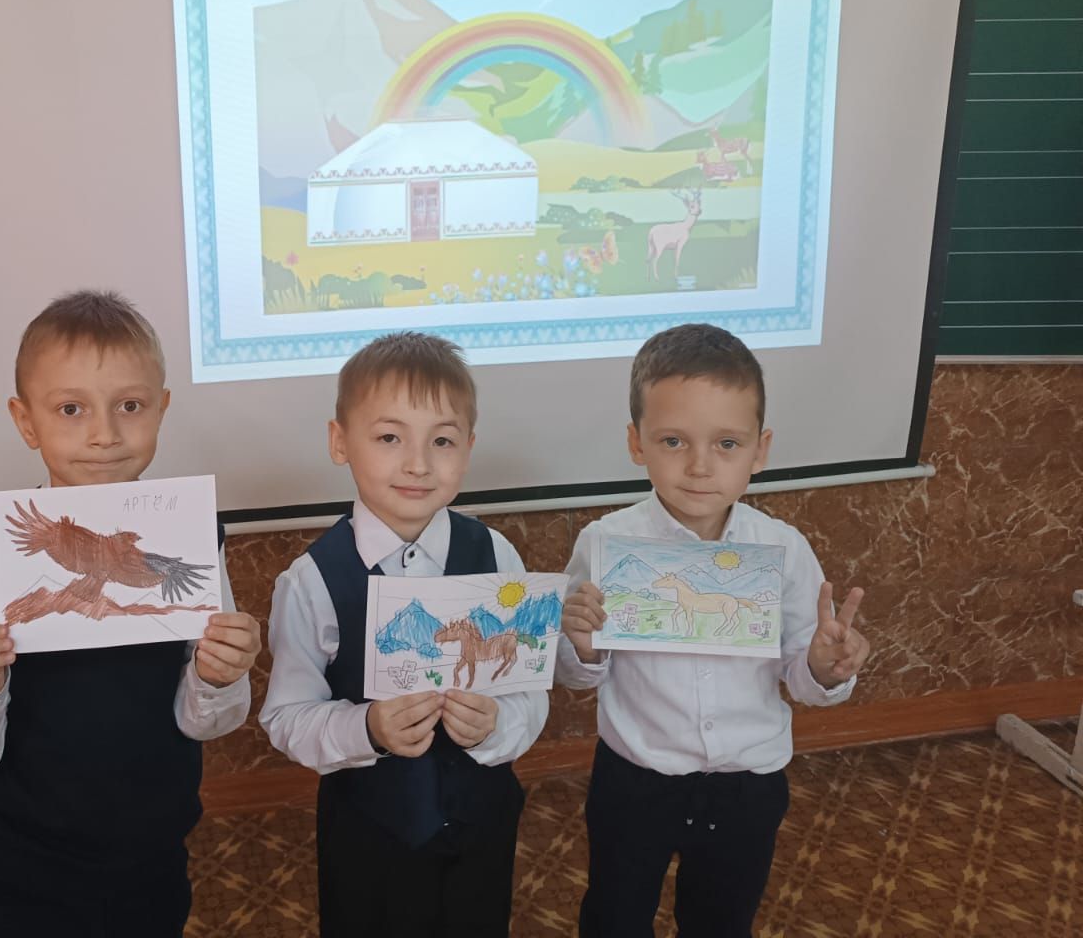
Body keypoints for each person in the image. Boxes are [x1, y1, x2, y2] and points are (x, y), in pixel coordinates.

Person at [0, 290, 261, 936]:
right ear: (26, 422)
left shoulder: (189, 541)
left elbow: (207, 721)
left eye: (129, 406)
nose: (104, 434)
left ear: (161, 409)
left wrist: (218, 674)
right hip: (22, 869)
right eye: (71, 409)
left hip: (153, 858)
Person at [559, 322, 871, 937]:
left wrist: (823, 668)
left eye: (727, 443)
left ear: (760, 449)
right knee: (614, 918)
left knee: (722, 922)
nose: (700, 466)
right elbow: (576, 674)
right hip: (635, 779)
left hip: (746, 785)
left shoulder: (783, 548)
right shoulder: (603, 544)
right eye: (673, 440)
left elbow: (801, 676)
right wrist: (585, 648)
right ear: (636, 442)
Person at [261, 331, 548, 938]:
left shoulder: (496, 555)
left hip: (483, 825)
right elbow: (287, 717)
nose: (418, 463)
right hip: (370, 839)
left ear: (468, 448)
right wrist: (365, 728)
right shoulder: (311, 580)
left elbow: (529, 691)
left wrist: (498, 725)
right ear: (340, 441)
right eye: (389, 437)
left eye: (442, 440)